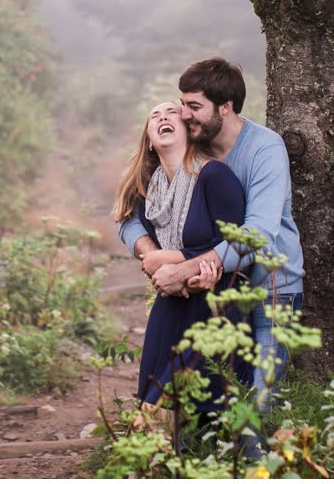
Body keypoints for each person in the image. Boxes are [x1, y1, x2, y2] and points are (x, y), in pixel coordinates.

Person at [119, 57, 305, 416]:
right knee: (213, 406)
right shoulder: (194, 148)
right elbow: (130, 212)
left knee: (258, 407)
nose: (184, 115)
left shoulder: (264, 149)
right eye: (182, 104)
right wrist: (151, 254)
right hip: (217, 295)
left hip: (270, 291)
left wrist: (182, 267)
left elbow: (258, 233)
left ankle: (260, 470)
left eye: (194, 107)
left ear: (226, 107)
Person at [114, 101, 249, 421]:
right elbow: (124, 220)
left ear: (188, 129)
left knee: (165, 408)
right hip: (172, 305)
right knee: (159, 402)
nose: (162, 117)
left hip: (216, 309)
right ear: (149, 140)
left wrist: (172, 258)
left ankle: (140, 468)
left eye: (171, 113)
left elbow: (238, 245)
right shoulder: (152, 189)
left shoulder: (214, 175)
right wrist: (152, 255)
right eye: (154, 117)